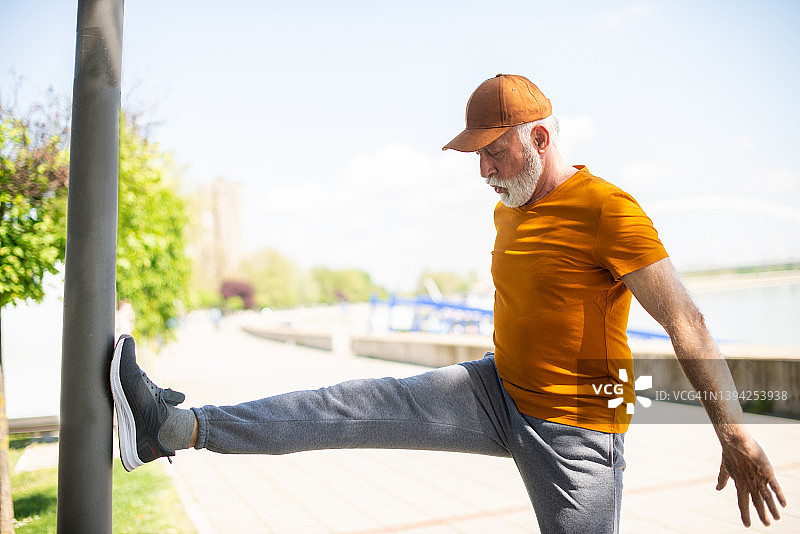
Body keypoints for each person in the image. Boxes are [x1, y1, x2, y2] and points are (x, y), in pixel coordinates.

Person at [111, 74, 786, 533]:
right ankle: (173, 429)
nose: (484, 171)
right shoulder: (511, 209)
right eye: (478, 157)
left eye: (494, 153)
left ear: (540, 139)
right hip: (494, 390)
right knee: (345, 406)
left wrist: (732, 432)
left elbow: (683, 320)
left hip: (577, 434)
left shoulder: (607, 209)